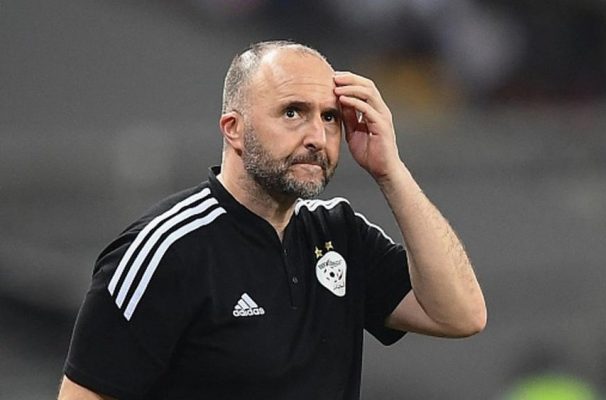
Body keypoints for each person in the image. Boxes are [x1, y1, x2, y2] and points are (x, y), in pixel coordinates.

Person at [57, 40, 487, 400]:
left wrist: (391, 171)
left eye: (330, 117)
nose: (316, 137)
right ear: (233, 128)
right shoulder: (167, 250)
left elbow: (460, 315)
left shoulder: (340, 234)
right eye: (292, 112)